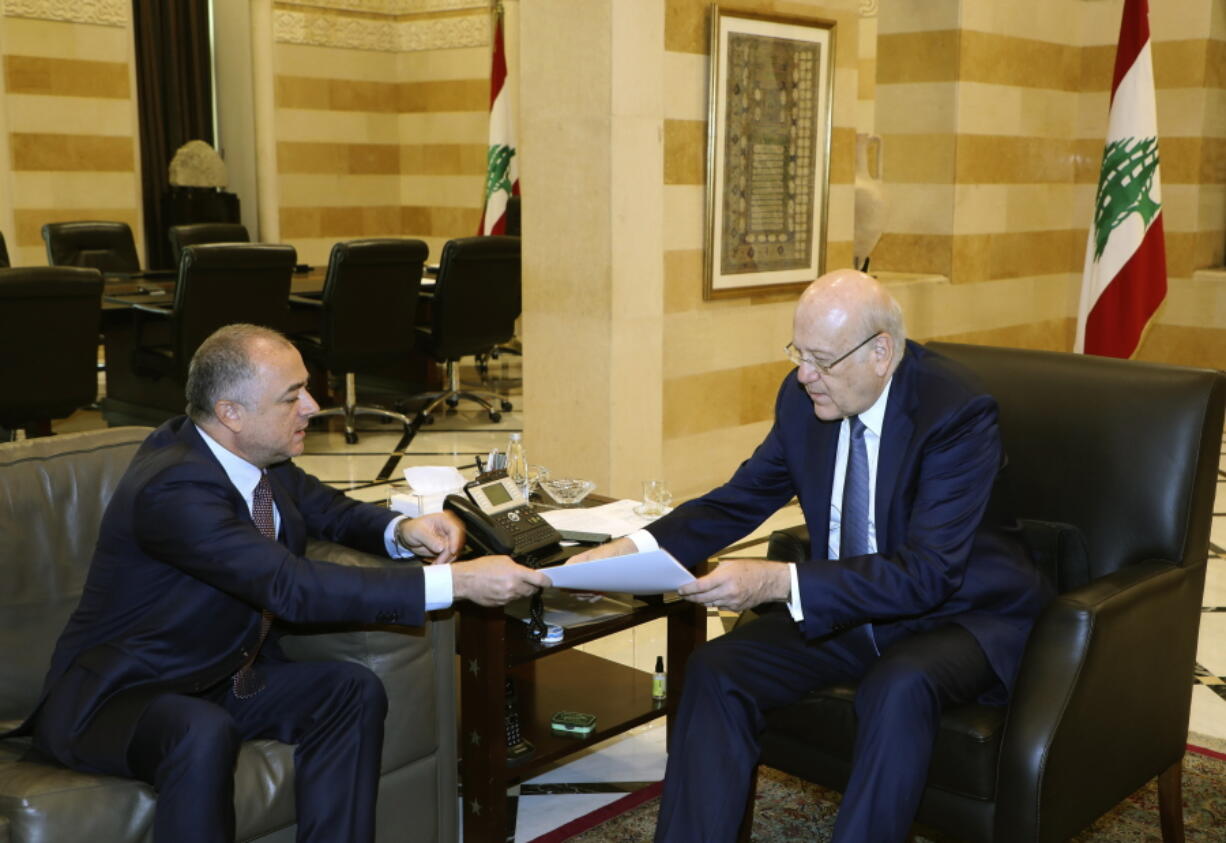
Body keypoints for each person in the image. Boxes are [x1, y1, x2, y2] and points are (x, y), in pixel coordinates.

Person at [570, 269, 1053, 842]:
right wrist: (631, 549)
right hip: (849, 607)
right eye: (799, 353)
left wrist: (779, 582)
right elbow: (738, 500)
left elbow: (927, 575)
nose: (804, 376)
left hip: (959, 614)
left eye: (822, 360)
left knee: (898, 687)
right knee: (717, 669)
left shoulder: (956, 413)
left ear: (881, 353)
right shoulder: (805, 400)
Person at [23, 323, 551, 843]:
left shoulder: (250, 455)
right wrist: (454, 584)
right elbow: (290, 587)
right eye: (292, 396)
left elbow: (327, 509)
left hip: (220, 680)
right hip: (125, 697)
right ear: (231, 412)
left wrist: (400, 530)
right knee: (200, 731)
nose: (313, 406)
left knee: (350, 689)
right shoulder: (174, 487)